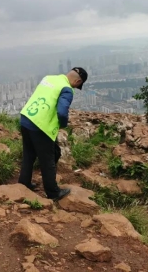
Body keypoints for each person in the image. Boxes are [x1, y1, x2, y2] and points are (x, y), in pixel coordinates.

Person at [18, 67, 88, 200]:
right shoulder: (67, 89)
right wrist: (63, 124)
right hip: (41, 126)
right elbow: (62, 112)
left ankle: (24, 184)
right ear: (78, 81)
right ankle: (53, 192)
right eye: (78, 85)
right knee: (48, 160)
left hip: (26, 118)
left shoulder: (48, 78)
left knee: (28, 154)